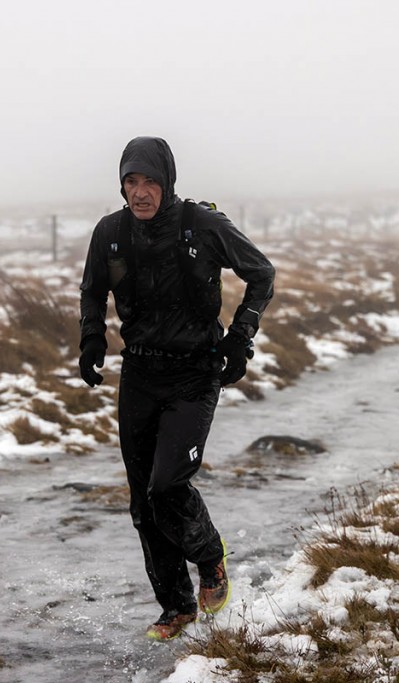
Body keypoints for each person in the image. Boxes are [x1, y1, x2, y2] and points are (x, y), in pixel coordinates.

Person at [78, 136, 275, 641]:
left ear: (167, 182)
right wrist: (92, 337)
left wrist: (240, 335)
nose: (140, 192)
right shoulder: (111, 233)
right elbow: (92, 290)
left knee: (167, 485)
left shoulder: (201, 225)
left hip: (194, 373)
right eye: (131, 181)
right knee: (143, 503)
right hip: (140, 375)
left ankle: (209, 557)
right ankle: (177, 607)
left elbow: (261, 274)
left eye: (150, 181)